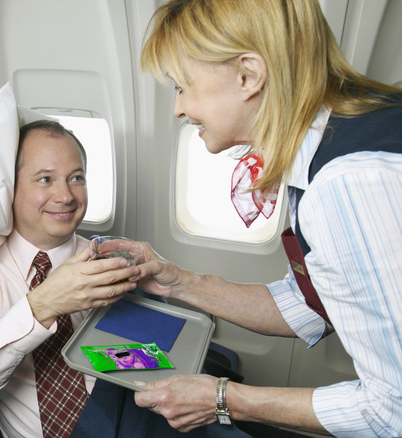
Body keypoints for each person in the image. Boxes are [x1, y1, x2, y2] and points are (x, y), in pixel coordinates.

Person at [133, 1, 402, 437]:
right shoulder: (339, 135)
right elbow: (311, 306)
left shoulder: (349, 183)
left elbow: (393, 410)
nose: (177, 109)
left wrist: (223, 399)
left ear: (248, 75)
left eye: (184, 86)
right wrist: (174, 281)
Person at [0, 120, 242, 438]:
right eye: (45, 179)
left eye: (76, 178)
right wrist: (42, 304)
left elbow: (152, 360)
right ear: (10, 187)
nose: (66, 195)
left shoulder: (113, 259)